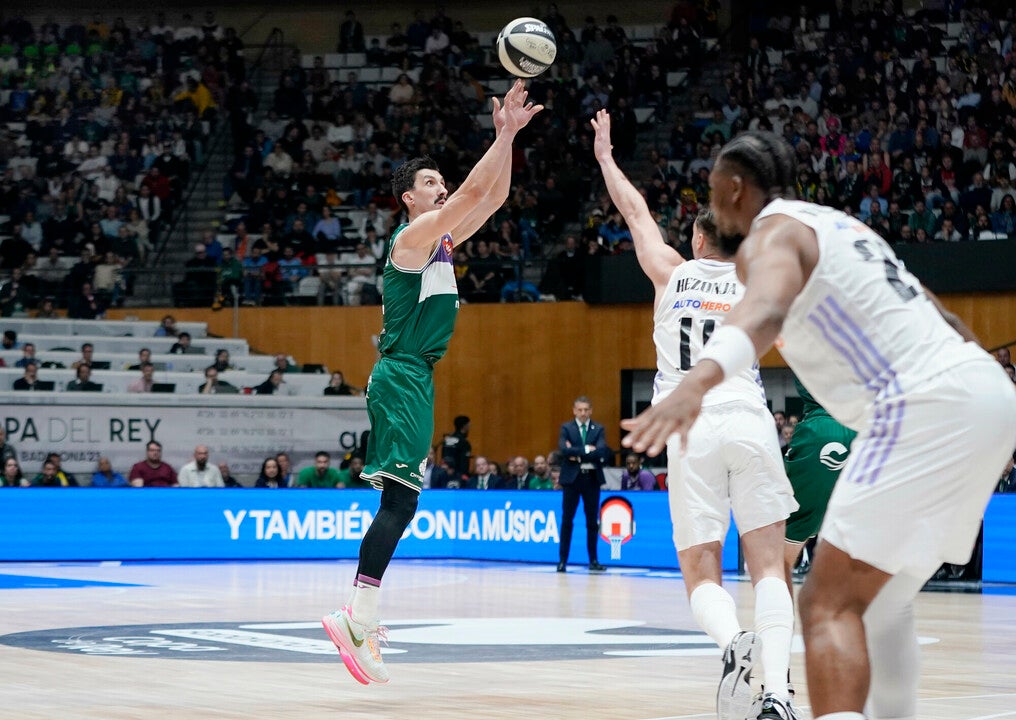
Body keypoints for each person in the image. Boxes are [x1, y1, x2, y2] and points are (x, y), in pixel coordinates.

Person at [619, 129, 1016, 720]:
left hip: (917, 408)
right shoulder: (841, 227)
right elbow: (945, 315)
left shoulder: (768, 237)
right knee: (885, 603)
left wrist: (695, 385)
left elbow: (767, 307)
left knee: (827, 604)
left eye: (710, 186)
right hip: (984, 392)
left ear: (733, 189)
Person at [321, 80, 543, 686]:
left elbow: (490, 199)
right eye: (429, 183)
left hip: (414, 377)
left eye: (441, 181)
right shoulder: (410, 241)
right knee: (400, 501)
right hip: (400, 376)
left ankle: (360, 617)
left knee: (403, 501)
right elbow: (474, 189)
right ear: (406, 199)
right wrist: (499, 135)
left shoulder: (439, 239)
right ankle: (356, 617)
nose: (441, 187)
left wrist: (511, 140)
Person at [592, 111, 799, 720]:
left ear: (699, 242)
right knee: (768, 568)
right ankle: (779, 697)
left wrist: (606, 157)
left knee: (701, 568)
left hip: (688, 425)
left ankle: (732, 642)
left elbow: (634, 214)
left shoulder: (671, 274)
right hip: (747, 416)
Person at [782, 378, 857, 583]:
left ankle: (777, 613)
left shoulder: (800, 344)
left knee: (782, 552)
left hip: (822, 428)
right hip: (867, 430)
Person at [556, 395, 611, 573]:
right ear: (574, 411)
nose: (583, 413)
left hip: (591, 478)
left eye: (586, 410)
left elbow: (602, 451)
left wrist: (577, 452)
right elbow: (564, 450)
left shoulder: (598, 428)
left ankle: (593, 560)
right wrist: (588, 449)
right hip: (572, 479)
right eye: (579, 410)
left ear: (591, 411)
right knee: (567, 520)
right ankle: (563, 560)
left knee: (591, 521)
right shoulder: (566, 427)